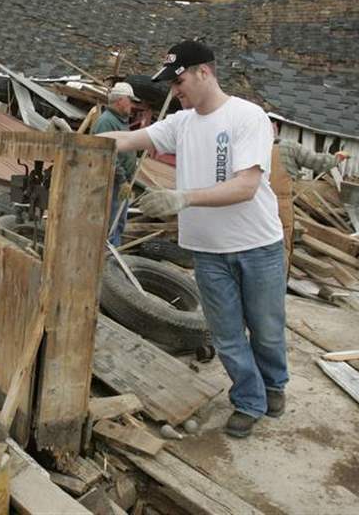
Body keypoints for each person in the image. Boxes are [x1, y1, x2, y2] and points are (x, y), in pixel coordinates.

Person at [97, 40, 287, 438]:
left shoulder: (246, 117)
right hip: (207, 251)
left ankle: (274, 384)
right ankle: (249, 401)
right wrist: (78, 141)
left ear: (204, 72)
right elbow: (130, 140)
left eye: (179, 80)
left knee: (266, 328)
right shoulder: (181, 123)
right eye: (170, 84)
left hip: (257, 246)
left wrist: (182, 198)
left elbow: (246, 187)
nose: (174, 91)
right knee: (227, 334)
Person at [270, 130, 350, 267]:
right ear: (275, 127)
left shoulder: (245, 146)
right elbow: (317, 161)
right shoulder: (288, 147)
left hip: (250, 204)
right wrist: (337, 158)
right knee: (282, 247)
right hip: (279, 205)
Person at [91, 82, 141, 245]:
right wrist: (122, 180)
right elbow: (108, 156)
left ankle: (113, 253)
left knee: (119, 221)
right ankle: (108, 257)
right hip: (113, 183)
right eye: (130, 100)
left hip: (122, 182)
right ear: (120, 100)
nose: (132, 105)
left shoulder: (120, 121)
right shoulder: (106, 122)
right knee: (112, 223)